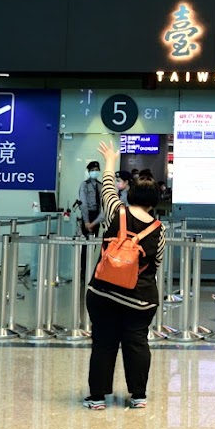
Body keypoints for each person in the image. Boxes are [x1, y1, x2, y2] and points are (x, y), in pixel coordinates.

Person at [84, 139, 165, 411]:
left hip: (103, 292)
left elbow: (108, 186)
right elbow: (156, 263)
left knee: (104, 343)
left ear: (130, 194)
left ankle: (97, 398)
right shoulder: (158, 229)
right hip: (139, 298)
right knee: (137, 343)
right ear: (155, 202)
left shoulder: (114, 212)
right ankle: (138, 396)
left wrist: (110, 160)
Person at [73, 160, 104, 291]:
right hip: (88, 216)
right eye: (92, 170)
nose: (95, 172)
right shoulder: (84, 185)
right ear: (88, 171)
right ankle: (83, 272)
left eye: (97, 169)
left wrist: (97, 221)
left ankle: (91, 271)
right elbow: (83, 204)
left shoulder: (100, 185)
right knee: (86, 247)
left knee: (95, 245)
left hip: (97, 217)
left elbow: (103, 204)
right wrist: (86, 221)